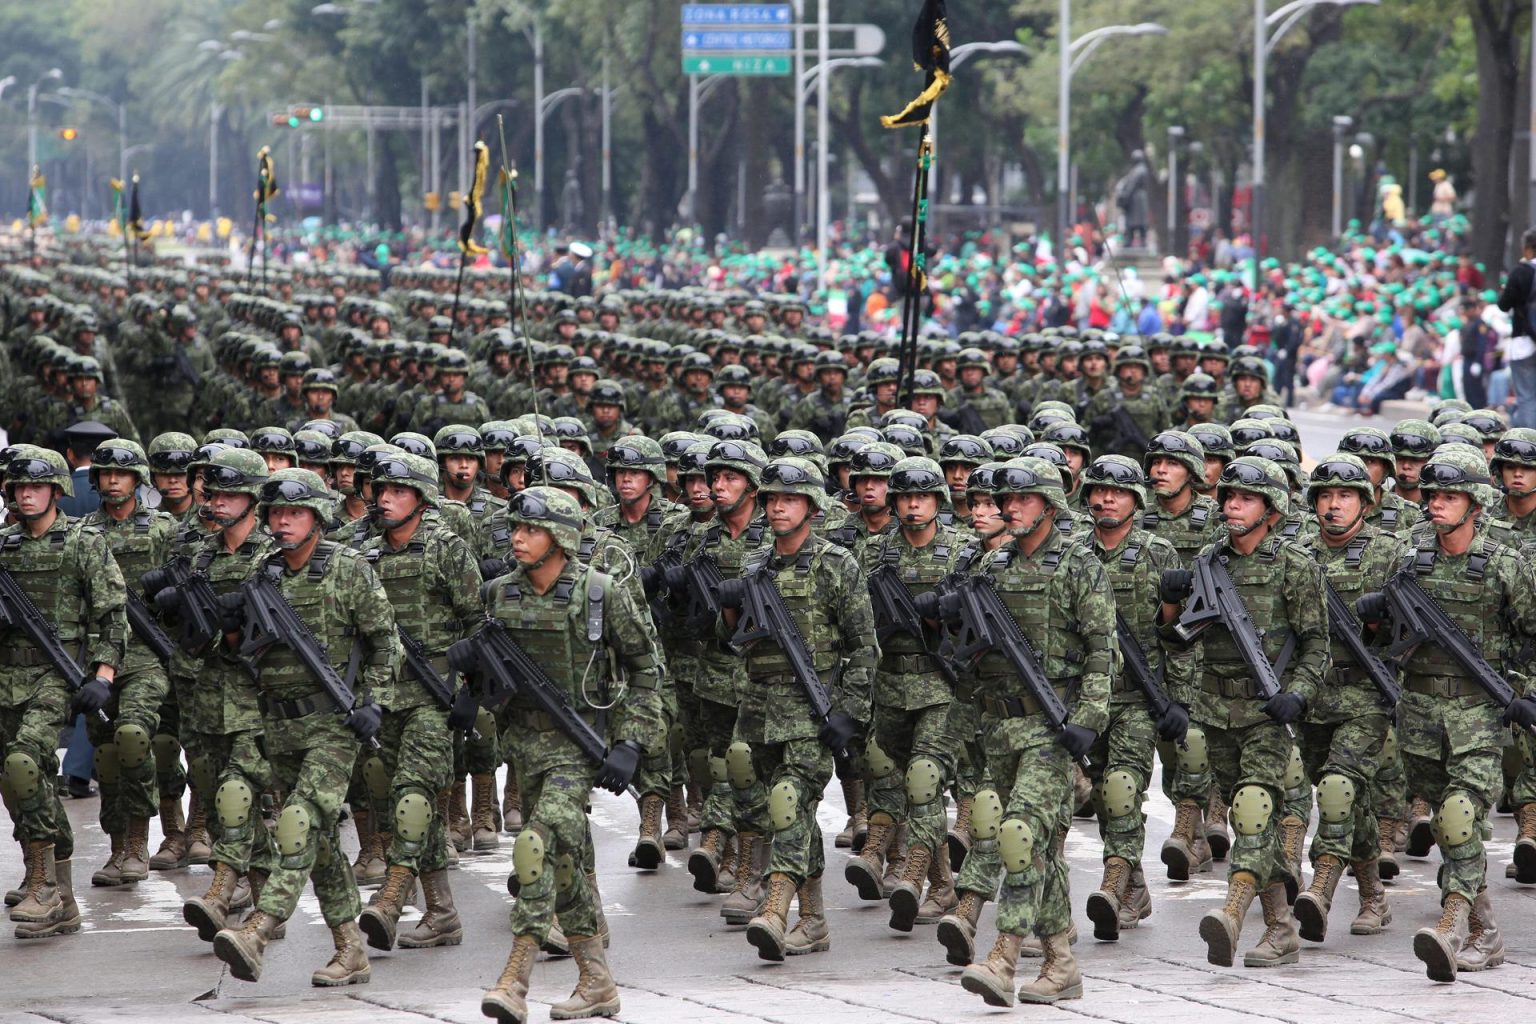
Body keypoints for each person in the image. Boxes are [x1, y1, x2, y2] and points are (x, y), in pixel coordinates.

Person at [476, 487, 665, 1023]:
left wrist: (630, 743)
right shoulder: (497, 595)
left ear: (560, 539)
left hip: (578, 750)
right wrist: (470, 674)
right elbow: (490, 682)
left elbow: (647, 672)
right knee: (563, 865)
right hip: (524, 748)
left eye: (531, 530)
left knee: (533, 849)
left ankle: (514, 980)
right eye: (514, 527)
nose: (517, 537)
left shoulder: (600, 593)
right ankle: (598, 983)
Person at [210, 468, 398, 986]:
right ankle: (349, 948)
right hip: (279, 724)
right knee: (319, 844)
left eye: (294, 512)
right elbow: (238, 655)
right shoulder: (263, 573)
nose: (283, 521)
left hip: (333, 723)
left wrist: (374, 703)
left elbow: (386, 643)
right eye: (274, 513)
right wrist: (226, 627)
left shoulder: (349, 569)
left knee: (297, 823)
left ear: (317, 517)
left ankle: (257, 931)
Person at [1357, 447, 1536, 981]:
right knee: (1445, 824)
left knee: (1460, 818)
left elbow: (1531, 637)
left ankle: (1452, 922)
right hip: (1418, 715)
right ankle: (1487, 932)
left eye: (1449, 496)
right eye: (1432, 495)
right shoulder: (1409, 561)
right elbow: (1387, 641)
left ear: (1475, 505)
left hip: (1480, 712)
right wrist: (1373, 620)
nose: (1435, 504)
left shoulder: (1506, 564)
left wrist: (1522, 691)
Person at [947, 456, 1111, 1007]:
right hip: (1001, 726)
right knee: (1040, 851)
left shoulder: (1077, 566)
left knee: (1017, 838)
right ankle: (1061, 965)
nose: (1007, 508)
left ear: (1048, 504)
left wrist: (1087, 720)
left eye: (1020, 499)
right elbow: (973, 661)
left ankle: (1003, 958)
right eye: (1003, 500)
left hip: (1053, 727)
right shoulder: (991, 571)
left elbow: (1100, 653)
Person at [1159, 456, 1330, 969]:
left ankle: (1232, 914)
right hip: (1216, 710)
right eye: (1229, 497)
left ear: (1271, 510)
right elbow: (1176, 640)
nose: (1233, 506)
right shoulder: (1211, 561)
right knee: (1249, 820)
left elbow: (1317, 643)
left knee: (1255, 810)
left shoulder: (1294, 565)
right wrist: (1170, 604)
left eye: (1247, 499)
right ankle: (1281, 929)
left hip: (1267, 713)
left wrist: (1297, 695)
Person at [720, 456, 874, 962]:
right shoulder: (754, 565)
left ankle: (776, 906)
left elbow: (863, 646)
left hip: (813, 712)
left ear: (811, 506)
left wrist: (848, 711)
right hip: (759, 709)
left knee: (789, 802)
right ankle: (814, 921)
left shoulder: (836, 564)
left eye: (790, 498)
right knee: (790, 816)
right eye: (772, 499)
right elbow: (736, 643)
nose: (779, 507)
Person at [353, 451, 482, 954]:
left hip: (435, 695)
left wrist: (471, 692)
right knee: (405, 803)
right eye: (380, 491)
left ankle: (391, 897)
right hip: (383, 697)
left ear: (423, 500)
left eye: (398, 492)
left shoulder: (447, 550)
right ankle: (443, 913)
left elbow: (478, 625)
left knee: (413, 797)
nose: (384, 499)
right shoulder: (364, 554)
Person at [2, 445, 127, 939]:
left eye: (37, 486)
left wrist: (103, 676)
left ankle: (41, 883)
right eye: (19, 487)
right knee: (19, 786)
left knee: (25, 763)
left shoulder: (82, 541)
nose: (28, 494)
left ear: (57, 491)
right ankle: (64, 895)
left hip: (57, 674)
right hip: (6, 677)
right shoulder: (5, 545)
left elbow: (112, 612)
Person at [1079, 456, 1197, 941]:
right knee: (1106, 799)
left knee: (1122, 790)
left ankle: (1112, 885)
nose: (1106, 499)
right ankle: (1134, 886)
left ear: (1136, 501)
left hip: (1138, 699)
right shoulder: (1072, 552)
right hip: (1088, 699)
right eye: (1099, 491)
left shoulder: (1157, 552)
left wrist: (1180, 701)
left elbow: (1183, 634)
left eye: (1118, 492)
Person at [848, 456, 964, 933]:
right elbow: (853, 621)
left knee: (924, 781)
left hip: (942, 686)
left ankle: (912, 874)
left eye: (923, 497)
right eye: (904, 498)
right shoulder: (874, 554)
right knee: (893, 783)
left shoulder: (961, 552)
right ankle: (943, 887)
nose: (913, 505)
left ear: (939, 500)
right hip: (888, 686)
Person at [1291, 454, 1404, 942]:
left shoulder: (1390, 553)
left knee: (1338, 791)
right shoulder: (1295, 551)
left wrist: (1381, 622)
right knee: (1342, 798)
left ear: (1366, 501)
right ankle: (1375, 897)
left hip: (1365, 693)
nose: (1333, 506)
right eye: (1325, 496)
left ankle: (1320, 888)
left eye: (1344, 496)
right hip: (1312, 697)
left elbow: (1411, 637)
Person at [77, 439, 177, 889]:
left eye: (121, 473)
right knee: (106, 755)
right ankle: (117, 847)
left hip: (146, 655)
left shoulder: (163, 529)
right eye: (104, 473)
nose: (112, 481)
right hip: (96, 655)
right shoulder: (82, 533)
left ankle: (138, 843)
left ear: (138, 478)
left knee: (134, 737)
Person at [1495, 227, 1536, 430]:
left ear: (1528, 248)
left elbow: (1504, 304)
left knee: (1527, 396)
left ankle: (1531, 445)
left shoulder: (1522, 271)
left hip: (1525, 341)